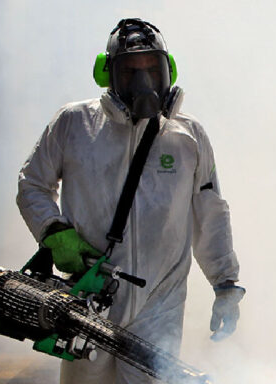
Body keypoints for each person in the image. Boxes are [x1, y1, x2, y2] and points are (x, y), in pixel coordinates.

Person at [16, 18, 244, 383]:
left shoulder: (188, 136)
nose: (144, 84)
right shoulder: (75, 124)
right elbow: (32, 183)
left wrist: (226, 283)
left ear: (168, 71)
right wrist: (54, 231)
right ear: (109, 75)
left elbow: (209, 214)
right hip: (88, 299)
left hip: (160, 305)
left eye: (152, 71)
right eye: (131, 72)